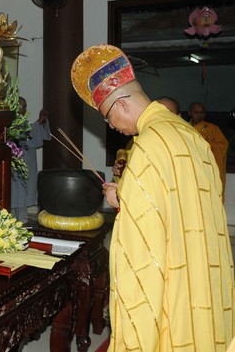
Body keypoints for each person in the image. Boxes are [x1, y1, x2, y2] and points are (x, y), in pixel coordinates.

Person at [71, 45, 235, 351]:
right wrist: (126, 195)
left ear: (121, 104)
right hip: (201, 265)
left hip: (173, 274)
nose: (112, 126)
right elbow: (176, 199)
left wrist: (122, 203)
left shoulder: (148, 143)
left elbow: (142, 242)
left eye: (108, 118)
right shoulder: (187, 133)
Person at [111, 95, 180, 179]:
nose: (161, 115)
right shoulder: (137, 142)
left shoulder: (186, 140)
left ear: (178, 116)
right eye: (158, 111)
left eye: (167, 112)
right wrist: (121, 173)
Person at [11, 97, 51, 222]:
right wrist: (38, 122)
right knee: (15, 192)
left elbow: (40, 138)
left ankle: (22, 219)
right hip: (16, 163)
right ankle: (14, 219)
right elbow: (24, 137)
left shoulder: (25, 123)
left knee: (24, 190)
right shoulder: (10, 123)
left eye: (25, 106)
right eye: (22, 106)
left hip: (27, 162)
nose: (24, 109)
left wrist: (42, 123)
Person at [189, 101, 228, 193]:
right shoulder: (183, 127)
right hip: (190, 166)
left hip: (208, 167)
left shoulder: (213, 129)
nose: (199, 115)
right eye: (196, 112)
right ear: (190, 113)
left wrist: (206, 145)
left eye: (202, 113)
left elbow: (222, 146)